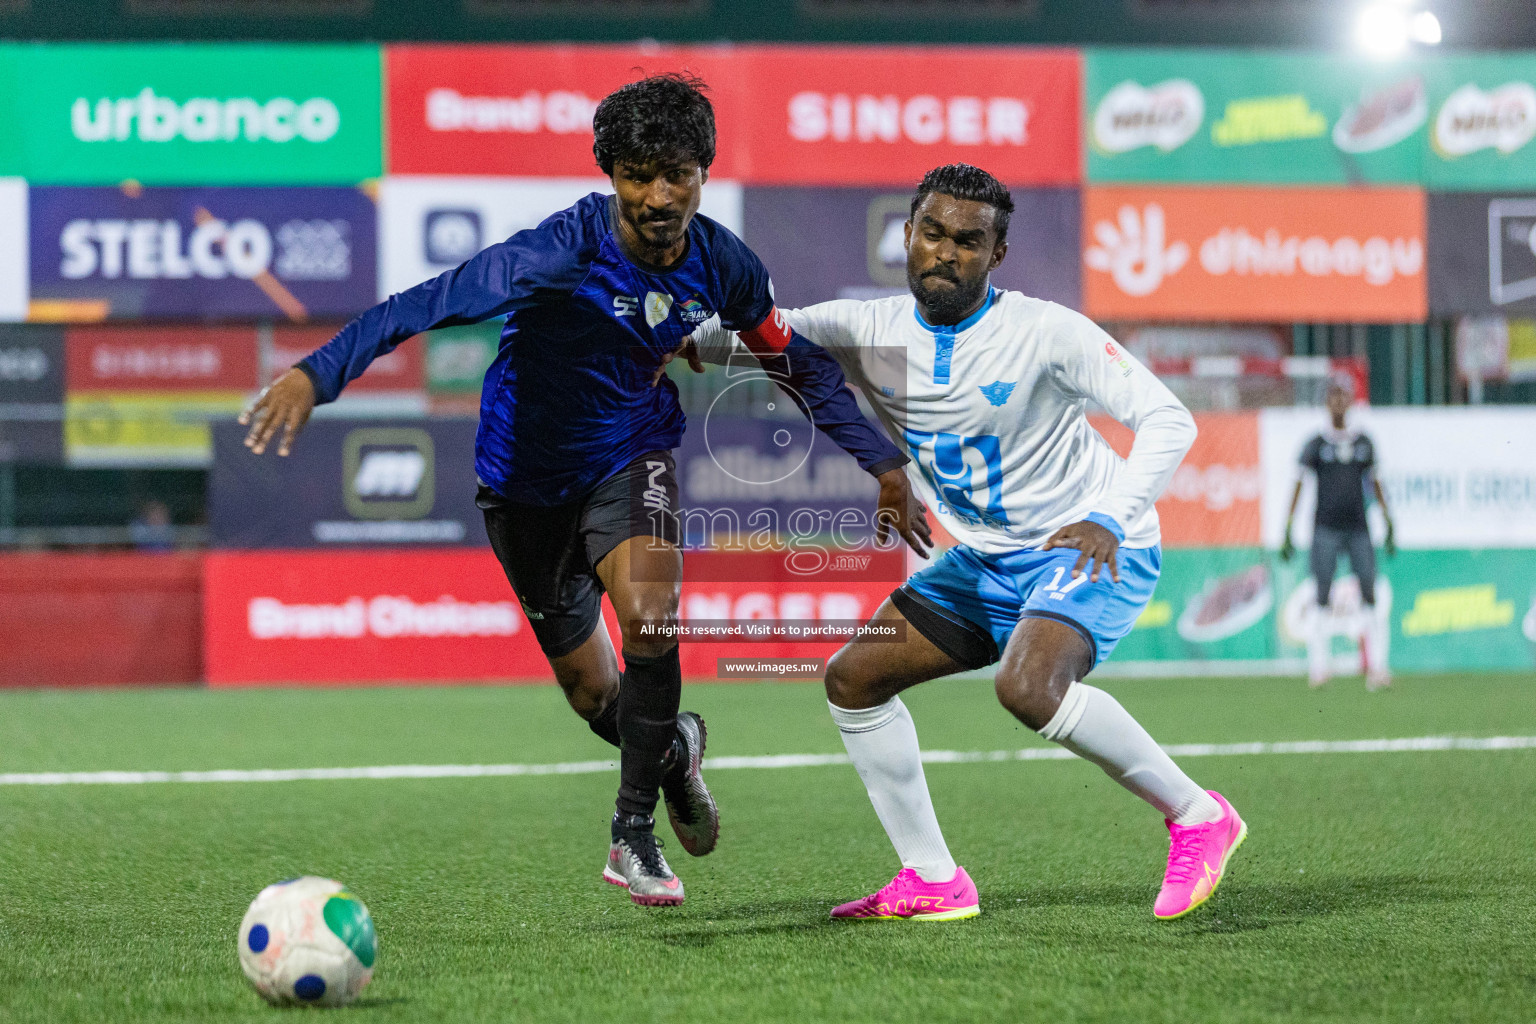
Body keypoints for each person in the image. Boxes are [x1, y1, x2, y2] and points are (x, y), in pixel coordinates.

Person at [238, 73, 921, 907]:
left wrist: (881, 461)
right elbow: (419, 305)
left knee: (649, 613)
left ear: (704, 172)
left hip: (634, 453)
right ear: (610, 175)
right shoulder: (556, 253)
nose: (658, 195)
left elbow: (793, 359)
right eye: (638, 174)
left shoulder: (726, 264)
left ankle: (631, 833)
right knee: (596, 696)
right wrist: (317, 373)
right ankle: (675, 752)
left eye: (677, 174)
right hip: (523, 487)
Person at [685, 163, 1246, 922]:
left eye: (968, 242)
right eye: (932, 233)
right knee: (854, 680)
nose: (945, 253)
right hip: (985, 559)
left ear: (996, 255)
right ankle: (932, 879)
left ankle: (1198, 815)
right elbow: (760, 336)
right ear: (907, 236)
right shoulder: (868, 329)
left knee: (1027, 689)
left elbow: (1169, 419)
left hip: (1085, 545)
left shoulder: (1045, 332)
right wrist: (665, 338)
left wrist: (1112, 514)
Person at [1280, 375, 1396, 690]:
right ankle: (1319, 668)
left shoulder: (1363, 443)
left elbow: (1376, 483)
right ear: (1325, 401)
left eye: (1343, 395)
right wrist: (1288, 526)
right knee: (1321, 594)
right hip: (1325, 528)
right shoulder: (1316, 445)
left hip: (1358, 528)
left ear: (1352, 400)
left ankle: (1378, 668)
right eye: (1332, 395)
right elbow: (1298, 483)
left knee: (1370, 592)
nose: (1338, 401)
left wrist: (1389, 522)